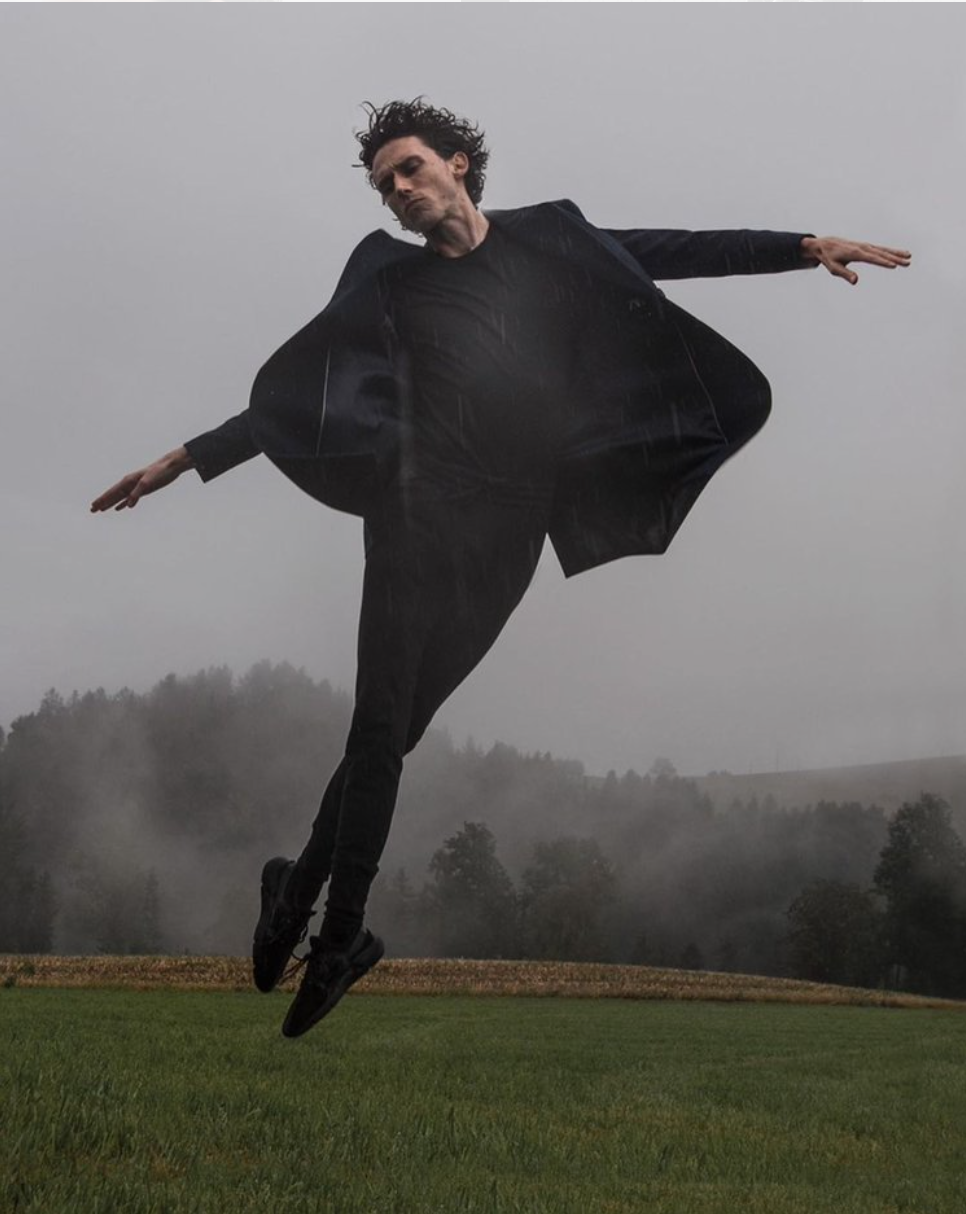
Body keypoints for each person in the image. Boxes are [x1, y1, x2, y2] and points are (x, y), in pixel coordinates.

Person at [91, 99, 910, 1037]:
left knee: (395, 736)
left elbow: (672, 247)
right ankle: (343, 933)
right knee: (376, 721)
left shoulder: (552, 239)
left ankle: (295, 891)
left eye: (408, 170)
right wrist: (188, 458)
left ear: (459, 163)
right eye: (384, 184)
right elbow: (305, 391)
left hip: (511, 533)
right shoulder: (387, 277)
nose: (398, 193)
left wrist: (804, 245)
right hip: (412, 515)